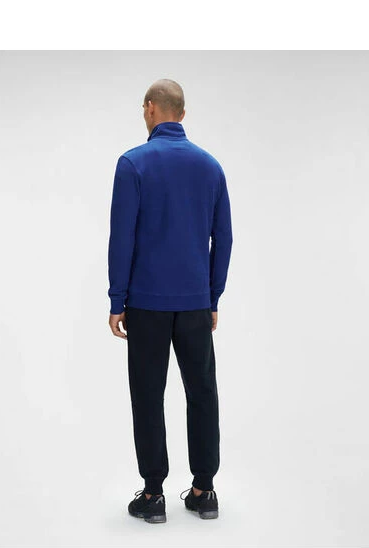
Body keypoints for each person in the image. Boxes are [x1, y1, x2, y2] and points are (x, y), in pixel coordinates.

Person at [108, 79, 233, 523]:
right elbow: (224, 239)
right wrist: (212, 296)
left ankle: (154, 495)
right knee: (202, 392)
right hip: (195, 302)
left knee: (148, 395)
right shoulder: (210, 167)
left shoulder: (132, 164)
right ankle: (204, 490)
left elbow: (121, 238)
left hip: (146, 303)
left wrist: (117, 300)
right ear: (182, 113)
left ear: (150, 108)